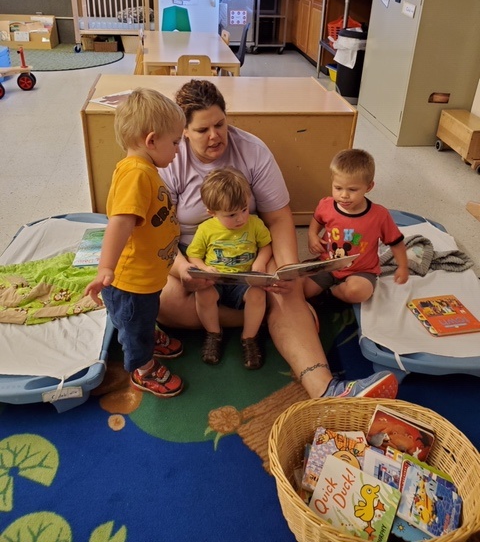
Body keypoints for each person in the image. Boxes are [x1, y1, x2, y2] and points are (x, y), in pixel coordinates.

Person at [156, 79, 399, 400]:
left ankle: (326, 390)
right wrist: (184, 268)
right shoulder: (171, 159)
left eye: (220, 124)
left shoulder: (252, 150)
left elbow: (279, 217)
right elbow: (158, 235)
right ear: (184, 131)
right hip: (194, 253)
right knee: (162, 301)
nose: (215, 135)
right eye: (203, 130)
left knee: (284, 290)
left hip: (251, 249)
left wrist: (287, 269)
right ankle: (266, 318)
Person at [85, 88, 186, 398]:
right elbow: (119, 222)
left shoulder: (144, 169)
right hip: (131, 283)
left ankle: (145, 334)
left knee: (143, 316)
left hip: (148, 277)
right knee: (134, 326)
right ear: (151, 140)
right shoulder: (136, 175)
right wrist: (105, 267)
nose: (178, 151)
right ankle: (143, 368)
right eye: (176, 143)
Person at [186, 167, 272, 369]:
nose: (241, 218)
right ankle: (213, 334)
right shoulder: (206, 229)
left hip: (244, 281)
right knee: (203, 294)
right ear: (212, 212)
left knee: (258, 295)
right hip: (216, 280)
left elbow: (266, 246)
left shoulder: (255, 224)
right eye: (232, 215)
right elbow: (193, 255)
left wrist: (260, 262)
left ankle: (249, 338)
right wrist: (204, 269)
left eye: (244, 209)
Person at [304, 148, 409, 304]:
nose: (344, 195)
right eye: (338, 188)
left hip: (361, 271)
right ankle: (331, 288)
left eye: (352, 190)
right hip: (327, 264)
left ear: (369, 187)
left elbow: (396, 242)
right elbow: (317, 220)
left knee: (359, 292)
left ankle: (332, 293)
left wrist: (403, 266)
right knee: (302, 290)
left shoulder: (379, 215)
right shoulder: (326, 204)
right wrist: (312, 235)